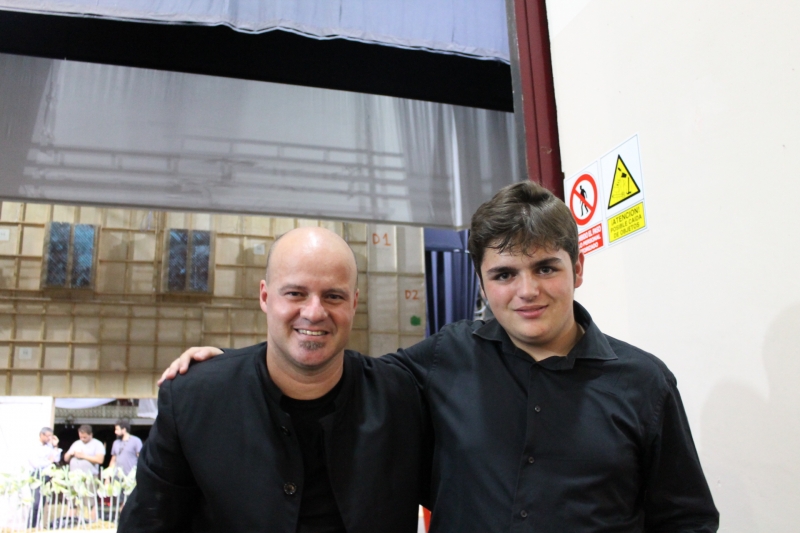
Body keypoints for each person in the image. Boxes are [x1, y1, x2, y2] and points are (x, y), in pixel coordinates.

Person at [166, 181, 719, 532]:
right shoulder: (445, 358)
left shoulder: (644, 385)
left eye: (546, 268)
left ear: (578, 268)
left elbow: (686, 520)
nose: (526, 290)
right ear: (482, 282)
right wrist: (230, 369)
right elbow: (331, 371)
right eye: (504, 274)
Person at [118, 227, 431, 533]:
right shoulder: (195, 400)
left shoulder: (403, 400)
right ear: (265, 296)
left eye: (333, 296)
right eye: (295, 293)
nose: (314, 312)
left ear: (353, 303)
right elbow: (147, 523)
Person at [28, 427, 61, 527]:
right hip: (36, 475)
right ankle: (30, 526)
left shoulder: (49, 447)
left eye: (51, 436)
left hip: (47, 475)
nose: (49, 438)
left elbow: (56, 459)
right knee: (35, 502)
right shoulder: (34, 446)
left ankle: (37, 526)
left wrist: (55, 446)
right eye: (48, 436)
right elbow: (36, 464)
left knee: (42, 502)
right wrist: (49, 461)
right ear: (41, 435)